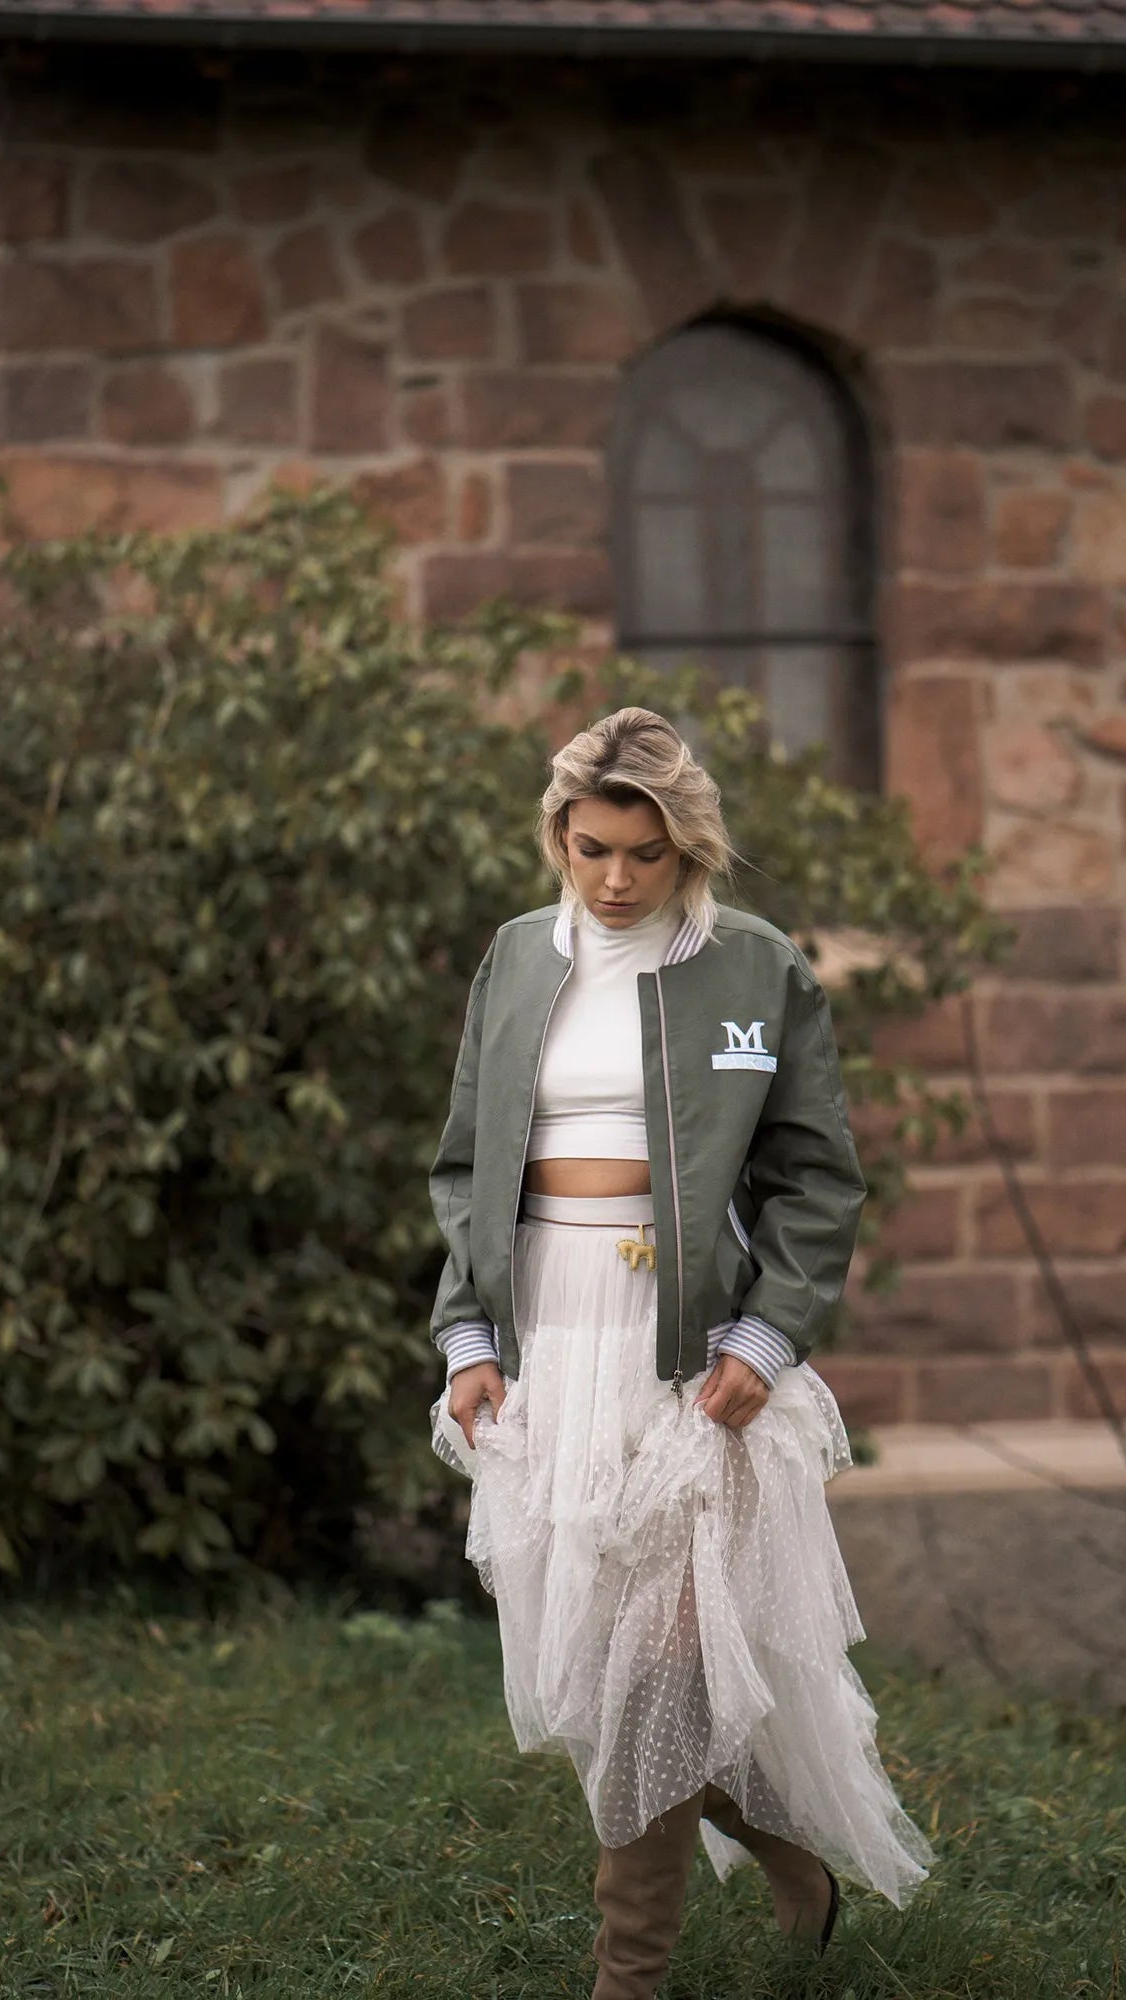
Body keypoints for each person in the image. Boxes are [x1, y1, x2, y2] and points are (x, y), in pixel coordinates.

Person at [428, 706, 934, 1998]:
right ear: (555, 833)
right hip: (548, 1344)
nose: (611, 880)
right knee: (599, 1675)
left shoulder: (752, 973)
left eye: (642, 856)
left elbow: (815, 1181)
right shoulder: (513, 960)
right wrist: (467, 1335)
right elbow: (467, 1169)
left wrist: (766, 1339)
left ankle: (628, 1973)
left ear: (685, 851)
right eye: (588, 848)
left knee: (652, 1670)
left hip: (683, 1359)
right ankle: (786, 1854)